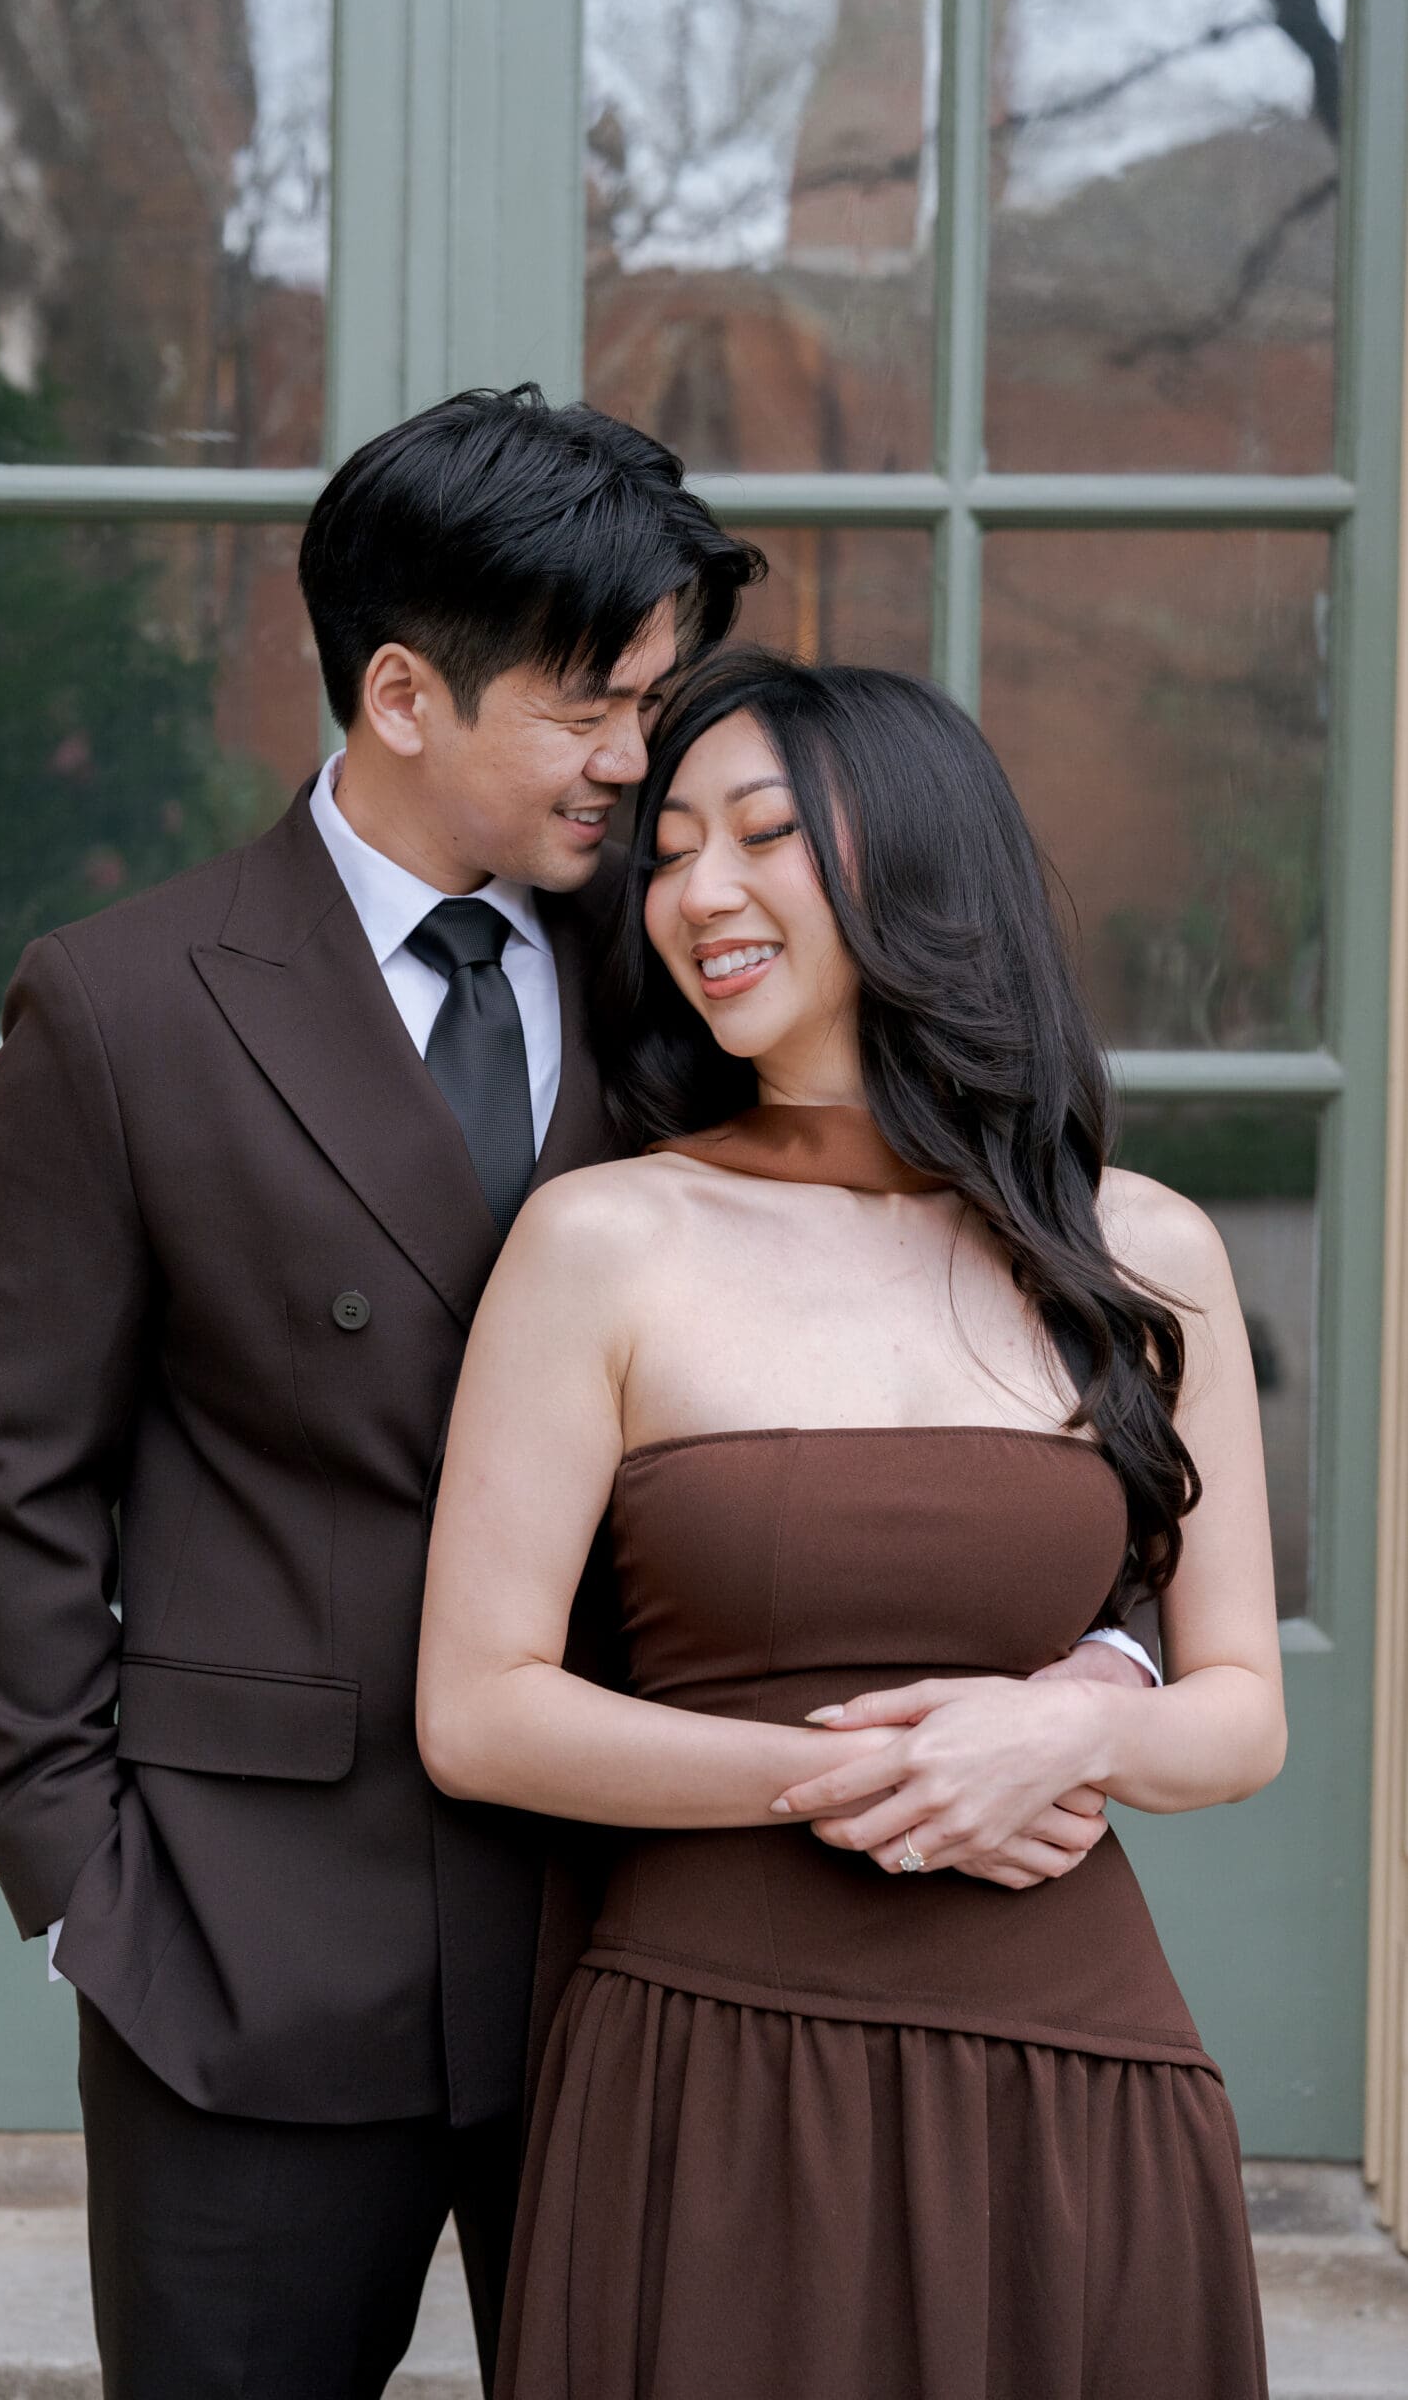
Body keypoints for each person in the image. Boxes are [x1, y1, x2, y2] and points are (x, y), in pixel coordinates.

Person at [0, 388, 1152, 2400]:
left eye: (654, 703)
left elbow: (991, 1325)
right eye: (592, 708)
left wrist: (1103, 1661)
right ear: (402, 694)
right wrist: (83, 1891)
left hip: (665, 1928)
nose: (634, 762)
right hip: (245, 1938)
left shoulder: (697, 951)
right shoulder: (127, 1002)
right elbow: (15, 1487)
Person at [418, 645, 1283, 2400]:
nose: (696, 895)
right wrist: (877, 1780)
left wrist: (1058, 1732)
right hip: (711, 2065)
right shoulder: (604, 1239)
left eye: (762, 836)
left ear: (920, 864)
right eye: (669, 852)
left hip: (1069, 2073)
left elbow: (1240, 1712)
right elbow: (480, 1711)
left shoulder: (1142, 1251)